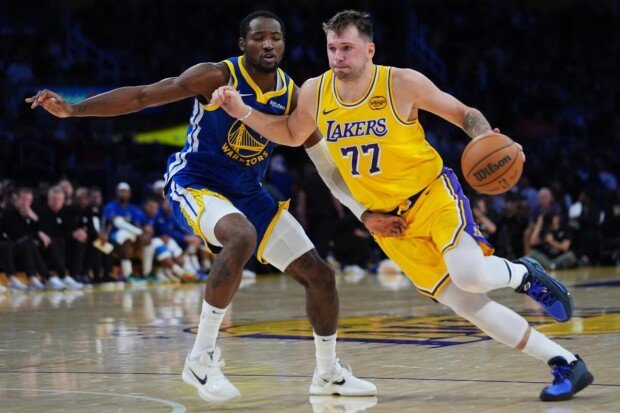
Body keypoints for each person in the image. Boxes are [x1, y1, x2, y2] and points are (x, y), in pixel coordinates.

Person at [211, 10, 593, 402]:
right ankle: (565, 362)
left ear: (369, 50)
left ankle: (524, 274)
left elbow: (465, 115)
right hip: (390, 223)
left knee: (469, 274)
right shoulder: (314, 91)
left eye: (347, 48)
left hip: (431, 196)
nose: (338, 57)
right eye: (332, 48)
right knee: (468, 305)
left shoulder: (401, 83)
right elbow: (292, 133)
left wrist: (490, 141)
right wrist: (243, 112)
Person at [26, 11, 398, 402]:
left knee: (320, 276)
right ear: (242, 44)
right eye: (258, 38)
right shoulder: (216, 76)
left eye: (275, 38)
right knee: (241, 236)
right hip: (196, 182)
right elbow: (142, 96)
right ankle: (200, 358)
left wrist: (363, 212)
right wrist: (74, 109)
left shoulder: (293, 94)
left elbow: (325, 163)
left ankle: (327, 374)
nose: (268, 44)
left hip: (248, 193)